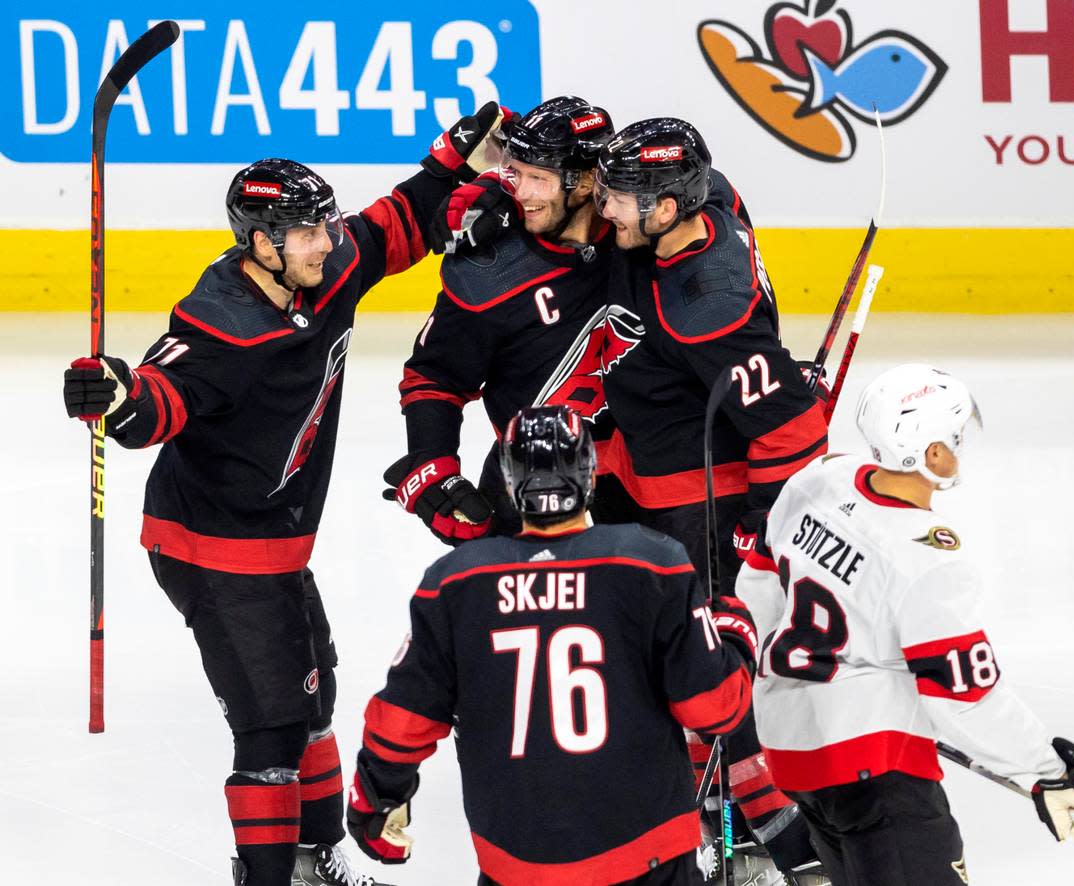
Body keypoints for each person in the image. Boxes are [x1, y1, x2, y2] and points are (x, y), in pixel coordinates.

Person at [60, 103, 507, 886]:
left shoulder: (325, 269)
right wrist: (116, 393)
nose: (325, 241)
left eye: (323, 226)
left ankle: (310, 861)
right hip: (212, 549)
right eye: (305, 232)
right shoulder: (219, 323)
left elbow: (395, 225)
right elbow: (154, 405)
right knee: (271, 721)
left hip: (274, 542)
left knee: (315, 693)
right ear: (260, 244)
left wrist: (449, 165)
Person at [346, 405, 760, 885]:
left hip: (517, 865)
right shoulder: (653, 564)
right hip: (648, 858)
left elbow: (404, 716)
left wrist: (378, 797)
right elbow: (717, 709)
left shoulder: (456, 583)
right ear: (589, 472)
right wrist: (734, 634)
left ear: (508, 479)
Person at [736, 363, 1074, 886]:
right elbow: (966, 698)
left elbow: (754, 592)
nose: (960, 447)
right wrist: (1049, 772)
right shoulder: (929, 559)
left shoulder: (817, 480)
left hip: (791, 756)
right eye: (954, 437)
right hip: (876, 778)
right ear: (931, 453)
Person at [592, 117, 829, 875]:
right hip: (653, 475)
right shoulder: (712, 197)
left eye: (622, 200)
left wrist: (760, 524)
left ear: (666, 208)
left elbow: (792, 427)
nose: (607, 211)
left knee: (707, 661)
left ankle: (754, 814)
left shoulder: (702, 307)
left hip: (701, 504)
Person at [384, 95, 632, 544]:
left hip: (643, 466)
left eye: (539, 178)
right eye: (515, 174)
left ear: (589, 181)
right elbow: (434, 376)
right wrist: (431, 463)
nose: (523, 192)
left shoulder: (638, 231)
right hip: (531, 471)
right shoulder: (488, 268)